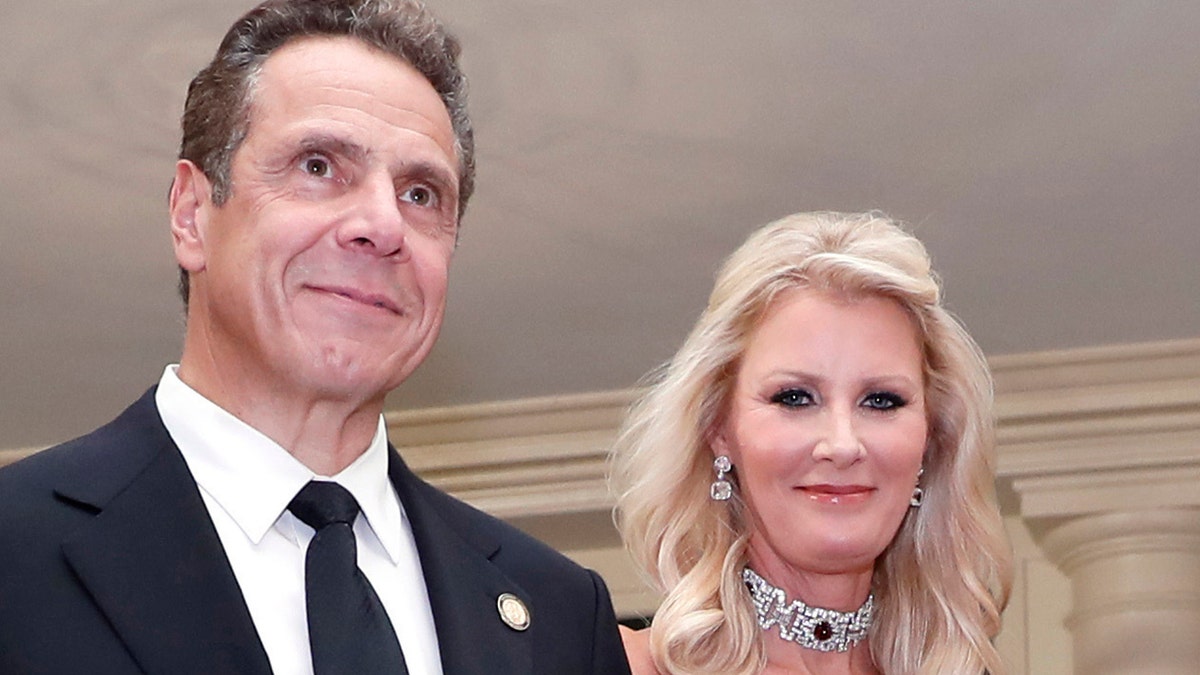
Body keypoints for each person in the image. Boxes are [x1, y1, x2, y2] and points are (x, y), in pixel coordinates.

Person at [0, 1, 630, 674]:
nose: (383, 225)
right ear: (191, 215)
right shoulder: (16, 548)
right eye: (319, 166)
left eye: (420, 194)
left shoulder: (562, 613)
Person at [611, 212, 1012, 674]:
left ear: (932, 438)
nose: (842, 445)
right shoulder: (620, 664)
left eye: (881, 401)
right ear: (718, 428)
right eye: (795, 398)